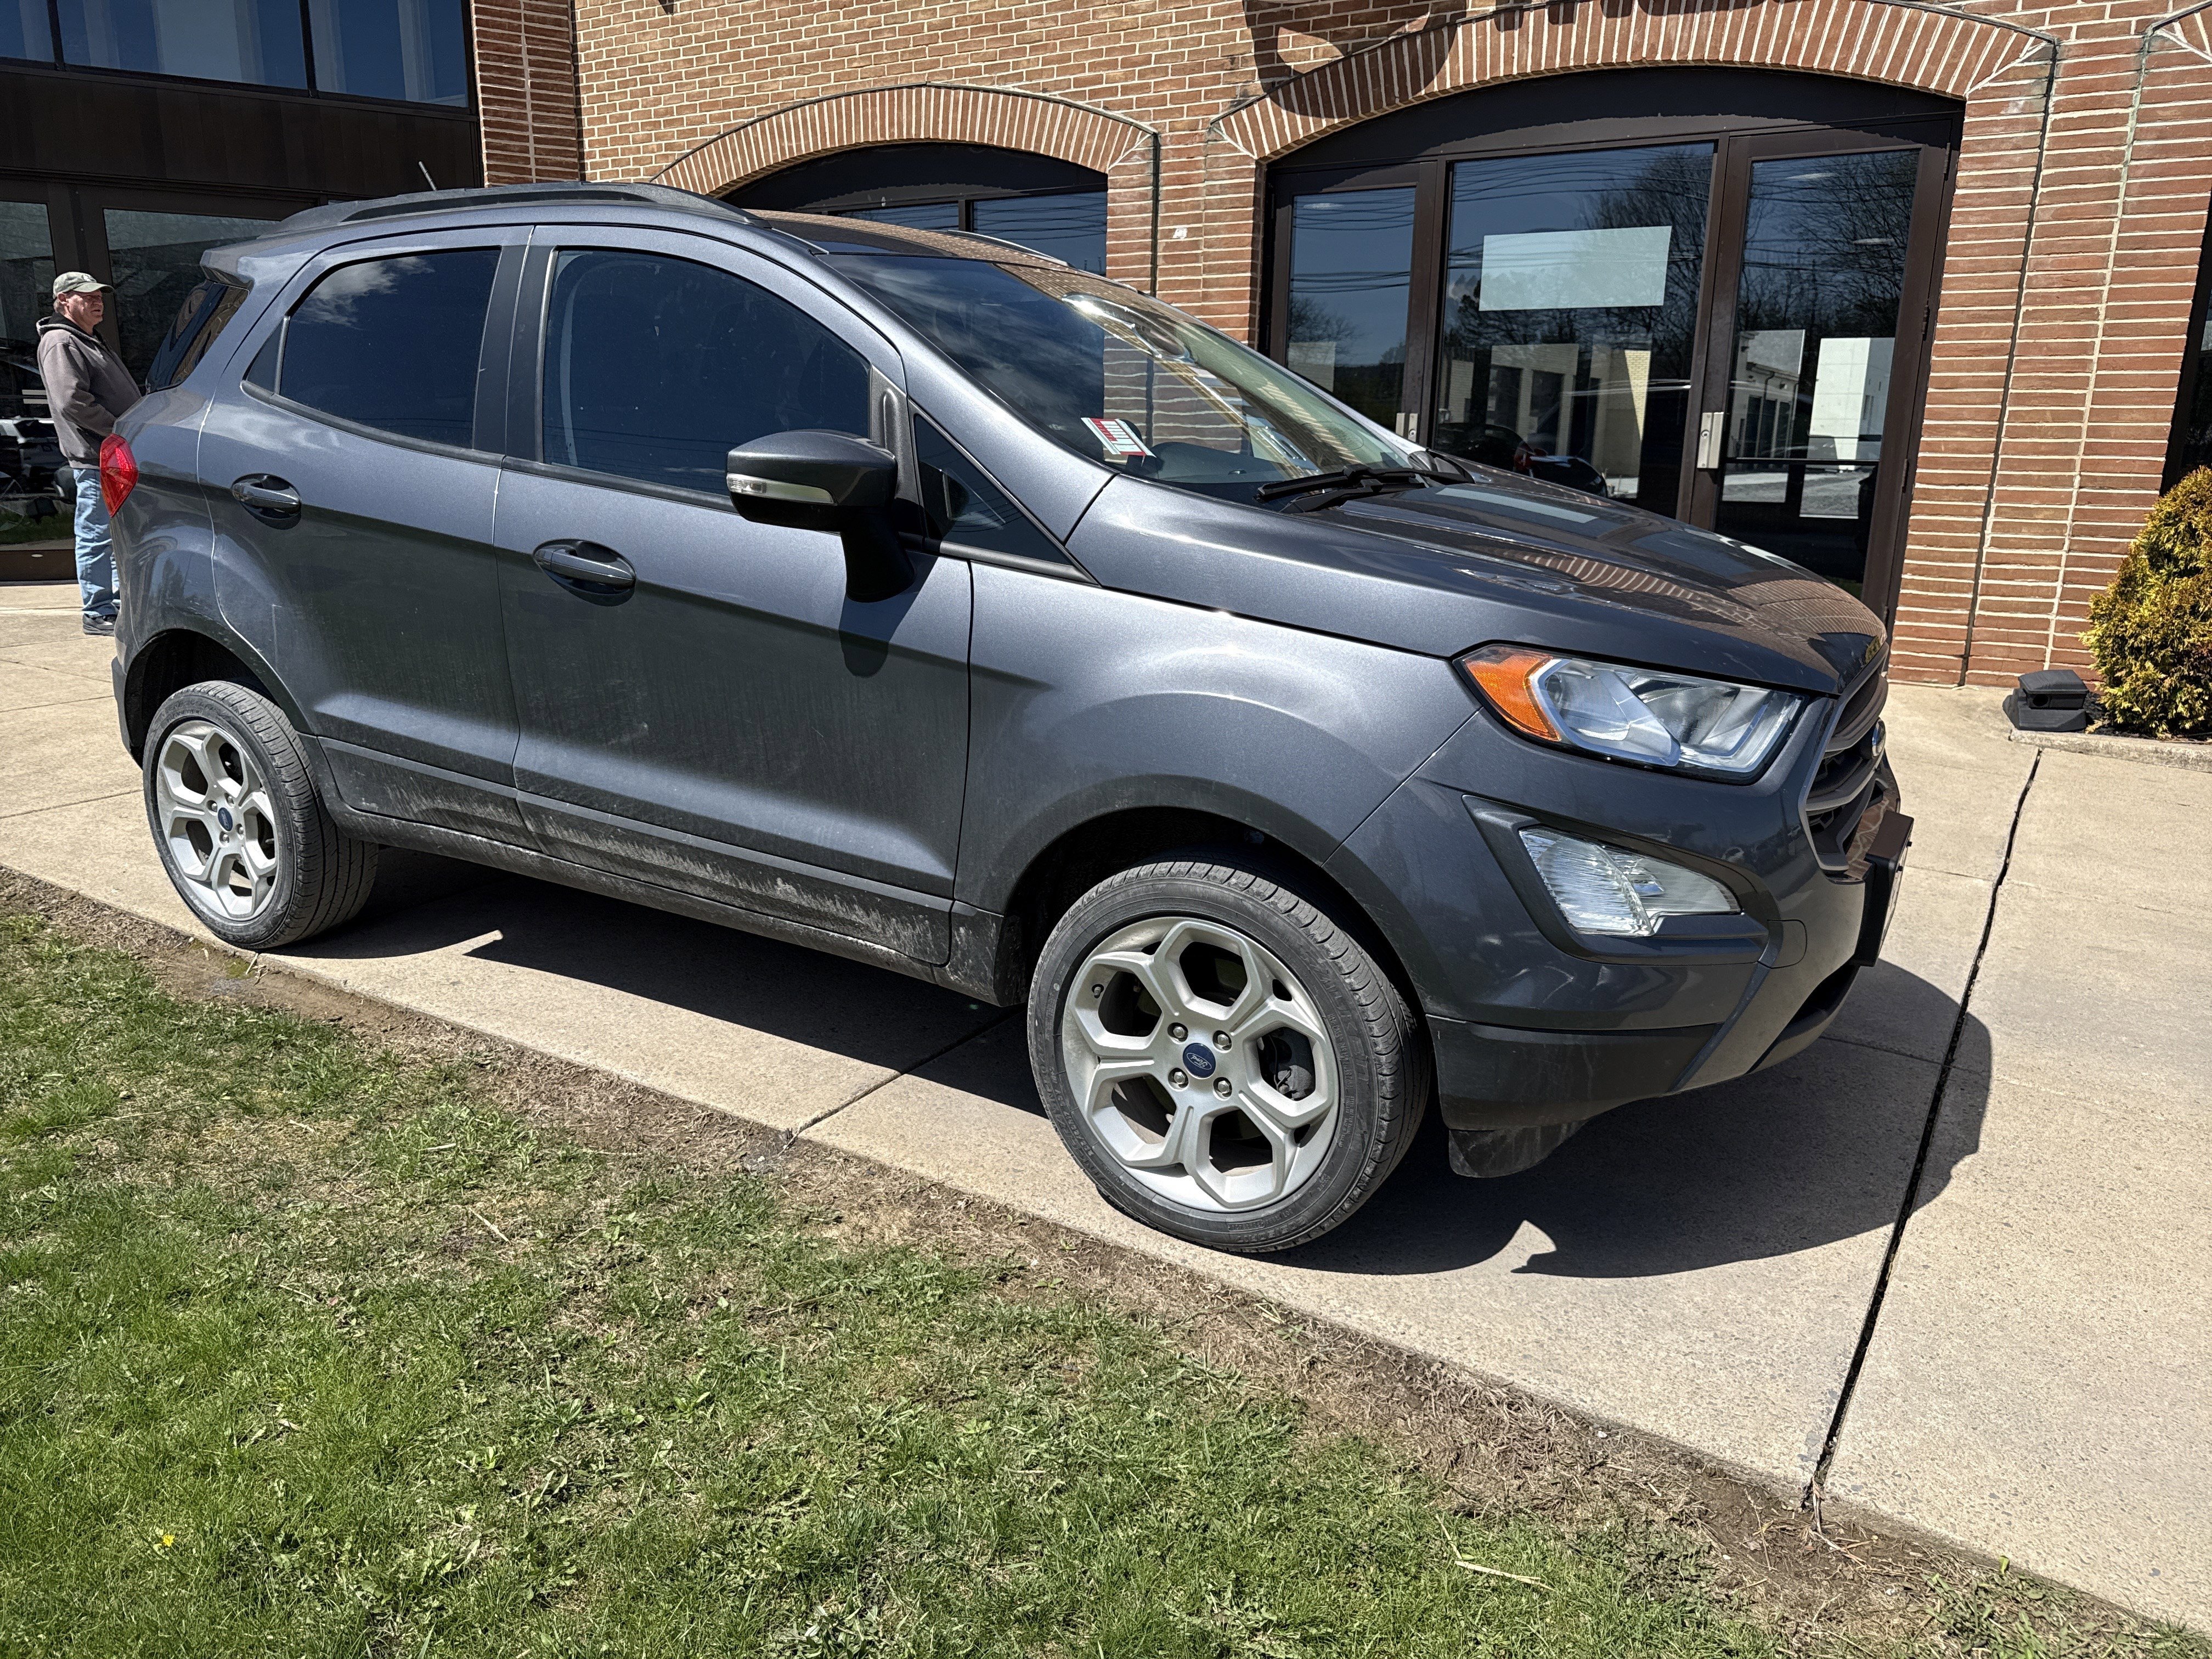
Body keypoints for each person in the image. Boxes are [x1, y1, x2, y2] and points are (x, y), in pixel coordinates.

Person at [36, 273, 141, 637]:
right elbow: (72, 402)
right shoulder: (61, 340)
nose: (97, 302)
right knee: (97, 531)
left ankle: (113, 605)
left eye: (100, 296)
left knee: (114, 532)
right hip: (95, 456)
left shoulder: (89, 339)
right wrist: (119, 430)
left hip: (112, 455)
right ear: (65, 301)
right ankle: (97, 610)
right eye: (87, 297)